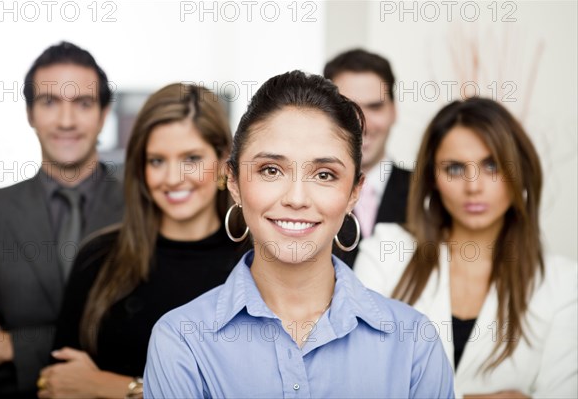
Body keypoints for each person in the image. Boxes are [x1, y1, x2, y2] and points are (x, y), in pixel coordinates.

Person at [144, 71, 454, 398]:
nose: (296, 198)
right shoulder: (180, 340)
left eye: (324, 174)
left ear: (354, 192)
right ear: (233, 181)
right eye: (271, 170)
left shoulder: (414, 342)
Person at [355, 97, 578, 398]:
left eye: (491, 165)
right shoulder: (385, 251)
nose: (474, 186)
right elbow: (358, 380)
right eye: (455, 169)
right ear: (433, 179)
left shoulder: (563, 283)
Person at [36, 82, 244, 399]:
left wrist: (110, 386)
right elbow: (58, 384)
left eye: (191, 158)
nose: (173, 178)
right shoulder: (99, 256)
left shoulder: (256, 262)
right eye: (157, 161)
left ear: (222, 161)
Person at [0, 41, 123, 397]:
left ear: (104, 113)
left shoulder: (144, 207)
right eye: (49, 102)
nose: (66, 121)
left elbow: (151, 331)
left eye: (83, 104)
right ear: (30, 114)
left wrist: (14, 348)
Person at [324, 49, 412, 265]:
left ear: (393, 110)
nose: (362, 124)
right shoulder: (301, 196)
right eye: (347, 108)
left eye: (375, 107)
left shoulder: (428, 191)